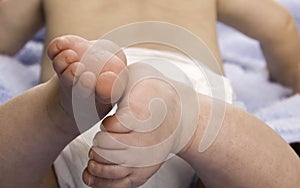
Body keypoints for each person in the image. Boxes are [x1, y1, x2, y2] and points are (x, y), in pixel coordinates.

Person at [0, 0, 300, 187]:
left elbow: (5, 35)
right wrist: (291, 76)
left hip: (88, 74)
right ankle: (188, 124)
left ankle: (57, 112)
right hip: (183, 85)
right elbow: (279, 26)